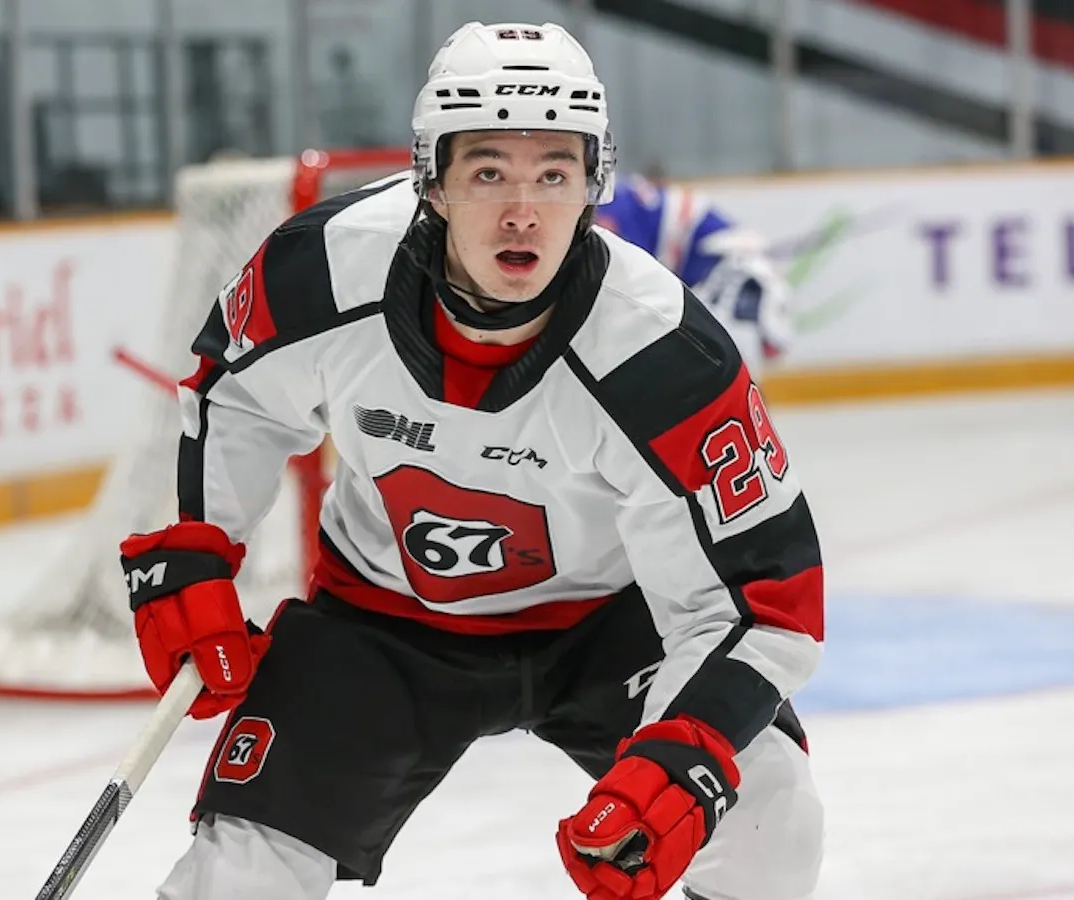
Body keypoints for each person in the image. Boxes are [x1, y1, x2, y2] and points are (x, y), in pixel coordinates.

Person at [120, 21, 824, 900]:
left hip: (606, 628)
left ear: (594, 183)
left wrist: (688, 746)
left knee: (772, 814)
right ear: (433, 181)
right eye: (488, 171)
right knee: (239, 874)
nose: (522, 210)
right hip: (382, 623)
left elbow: (765, 593)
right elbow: (238, 390)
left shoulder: (661, 351)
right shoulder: (327, 268)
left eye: (554, 175)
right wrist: (199, 542)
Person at [597, 171, 796, 372]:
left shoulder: (607, 209)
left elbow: (619, 273)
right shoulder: (613, 193)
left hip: (717, 257)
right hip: (718, 252)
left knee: (721, 356)